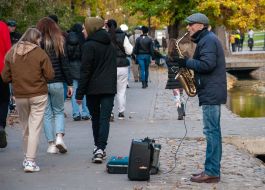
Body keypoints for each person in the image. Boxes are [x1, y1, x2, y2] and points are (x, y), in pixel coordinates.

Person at [176, 13, 227, 183]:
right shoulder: (206, 40)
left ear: (201, 25)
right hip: (210, 91)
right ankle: (211, 169)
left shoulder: (209, 40)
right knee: (213, 132)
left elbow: (207, 65)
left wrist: (187, 63)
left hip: (211, 93)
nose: (188, 27)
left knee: (211, 132)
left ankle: (212, 172)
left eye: (191, 24)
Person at [2, 27, 54, 172]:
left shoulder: (11, 52)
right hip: (38, 94)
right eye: (39, 39)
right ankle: (30, 161)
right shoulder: (40, 53)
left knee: (25, 128)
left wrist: (17, 80)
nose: (40, 42)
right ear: (36, 39)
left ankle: (27, 158)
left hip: (20, 95)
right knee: (34, 128)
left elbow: (5, 77)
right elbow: (50, 75)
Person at [76, 17, 117, 164]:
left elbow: (85, 71)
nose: (82, 30)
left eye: (84, 28)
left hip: (93, 89)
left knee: (96, 118)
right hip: (108, 88)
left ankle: (98, 147)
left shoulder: (89, 46)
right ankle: (100, 148)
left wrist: (79, 93)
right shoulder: (111, 45)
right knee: (105, 119)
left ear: (91, 28)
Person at [36, 17, 73, 154]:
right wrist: (70, 84)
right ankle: (59, 137)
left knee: (46, 114)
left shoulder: (36, 43)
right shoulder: (59, 41)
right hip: (57, 81)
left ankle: (51, 144)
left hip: (42, 82)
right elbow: (65, 64)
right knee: (58, 111)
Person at [106, 19, 133, 120]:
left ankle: (110, 112)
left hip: (109, 66)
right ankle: (121, 112)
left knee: (110, 91)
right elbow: (129, 51)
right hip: (122, 66)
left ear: (107, 26)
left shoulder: (105, 36)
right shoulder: (123, 36)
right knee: (121, 91)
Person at [66, 23, 91, 121]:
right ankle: (85, 112)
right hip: (82, 66)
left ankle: (76, 113)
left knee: (74, 91)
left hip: (71, 67)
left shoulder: (68, 39)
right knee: (84, 90)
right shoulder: (82, 38)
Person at [165, 39, 185, 120]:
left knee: (177, 96)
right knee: (181, 94)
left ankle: (179, 112)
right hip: (181, 79)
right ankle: (182, 110)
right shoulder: (181, 55)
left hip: (173, 80)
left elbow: (168, 65)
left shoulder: (168, 57)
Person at [0, 21, 12, 148]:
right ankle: (1, 125)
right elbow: (8, 49)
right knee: (3, 100)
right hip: (1, 70)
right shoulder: (2, 26)